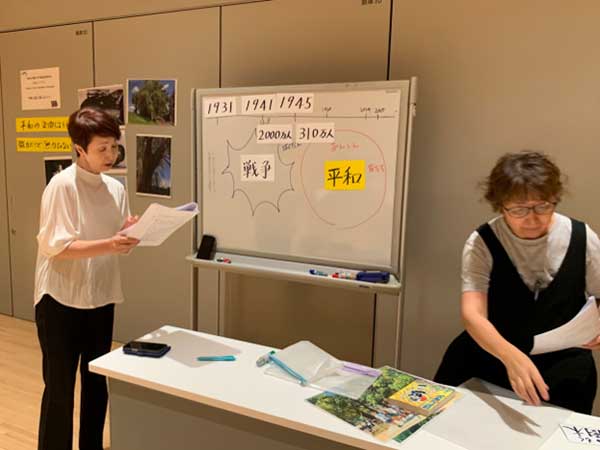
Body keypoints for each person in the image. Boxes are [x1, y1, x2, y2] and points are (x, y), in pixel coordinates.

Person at [434, 150, 600, 414]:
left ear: (555, 198)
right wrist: (511, 356)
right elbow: (473, 314)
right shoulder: (482, 242)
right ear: (501, 206)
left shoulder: (582, 237)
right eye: (519, 210)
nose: (532, 219)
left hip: (564, 368)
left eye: (543, 206)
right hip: (489, 357)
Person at [34, 107, 140, 450]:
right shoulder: (62, 186)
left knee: (96, 384)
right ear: (80, 149)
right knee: (60, 389)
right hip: (59, 299)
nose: (111, 155)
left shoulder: (115, 188)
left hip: (101, 297)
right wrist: (110, 243)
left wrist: (129, 235)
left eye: (114, 147)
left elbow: (116, 242)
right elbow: (57, 247)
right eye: (102, 148)